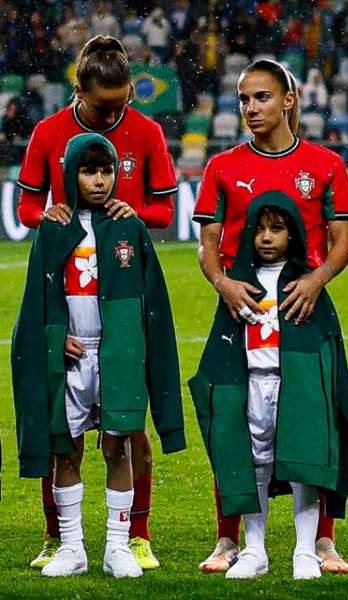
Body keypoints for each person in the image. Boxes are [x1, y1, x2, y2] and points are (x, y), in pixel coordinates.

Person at [16, 34, 177, 572]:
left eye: (124, 101)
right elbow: (26, 209)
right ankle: (58, 538)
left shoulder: (147, 131)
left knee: (129, 430)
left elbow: (161, 212)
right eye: (105, 105)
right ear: (78, 90)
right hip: (70, 296)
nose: (116, 113)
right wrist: (53, 218)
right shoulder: (49, 132)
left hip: (121, 283)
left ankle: (136, 535)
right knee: (60, 433)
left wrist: (122, 213)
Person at [192, 58, 348, 575]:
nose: (250, 108)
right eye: (243, 99)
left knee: (313, 424)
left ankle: (321, 541)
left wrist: (316, 278)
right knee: (233, 422)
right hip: (241, 312)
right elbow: (208, 244)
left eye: (261, 97)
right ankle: (229, 539)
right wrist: (221, 283)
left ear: (288, 100)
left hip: (303, 311)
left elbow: (342, 242)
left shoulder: (325, 164)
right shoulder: (223, 166)